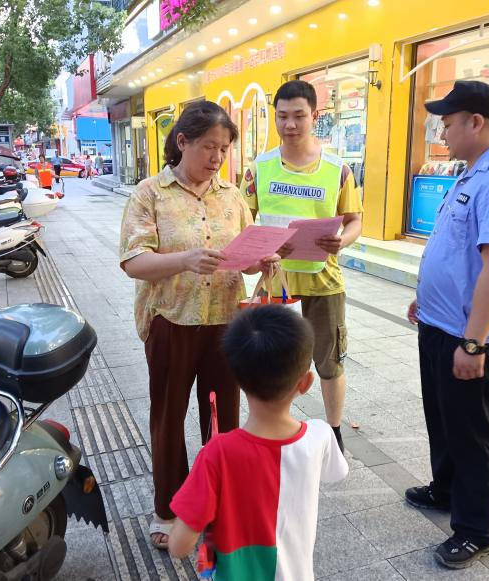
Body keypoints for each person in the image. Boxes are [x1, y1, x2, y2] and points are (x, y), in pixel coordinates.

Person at [120, 101, 277, 550]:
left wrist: (263, 260)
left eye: (224, 149)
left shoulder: (232, 196)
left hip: (225, 323)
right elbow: (134, 262)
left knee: (221, 416)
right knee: (168, 416)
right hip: (172, 321)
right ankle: (168, 509)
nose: (216, 157)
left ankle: (216, 502)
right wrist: (184, 260)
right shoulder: (150, 193)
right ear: (182, 141)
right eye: (209, 146)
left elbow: (242, 256)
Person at [405, 80, 489, 569]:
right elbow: (454, 251)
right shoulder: (469, 174)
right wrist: (426, 298)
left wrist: (475, 345)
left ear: (475, 122)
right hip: (440, 325)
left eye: (449, 120)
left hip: (470, 337)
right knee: (442, 417)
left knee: (473, 430)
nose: (442, 130)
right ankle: (445, 488)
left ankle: (476, 528)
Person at [168, 305, 348, 579]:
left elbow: (179, 546)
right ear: (306, 382)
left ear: (237, 378)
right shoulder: (320, 434)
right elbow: (337, 472)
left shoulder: (218, 453)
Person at [240, 80, 364, 453]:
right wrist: (253, 247)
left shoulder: (337, 169)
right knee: (269, 359)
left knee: (329, 360)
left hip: (323, 280)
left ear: (315, 116)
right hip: (273, 279)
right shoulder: (258, 169)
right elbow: (243, 218)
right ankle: (270, 426)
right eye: (282, 117)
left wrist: (343, 240)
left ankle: (334, 429)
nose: (290, 125)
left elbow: (355, 220)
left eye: (298, 116)